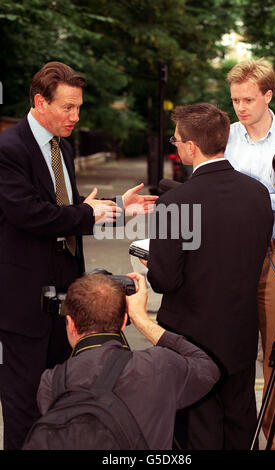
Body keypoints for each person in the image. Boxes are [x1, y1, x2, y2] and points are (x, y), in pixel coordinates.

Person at [0, 61, 157, 450]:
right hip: (23, 303)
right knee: (23, 405)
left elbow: (67, 211)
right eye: (68, 107)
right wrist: (87, 213)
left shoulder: (63, 147)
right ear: (40, 101)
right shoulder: (9, 150)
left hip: (65, 296)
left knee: (61, 400)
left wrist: (117, 206)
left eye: (80, 107)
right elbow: (31, 214)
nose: (76, 116)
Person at [144, 103, 274, 450]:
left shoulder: (174, 202)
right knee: (239, 425)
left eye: (176, 141)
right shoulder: (258, 194)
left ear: (191, 147)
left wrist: (152, 263)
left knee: (195, 434)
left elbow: (165, 280)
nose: (175, 146)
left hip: (191, 340)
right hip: (241, 336)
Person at [36, 271, 221, 450]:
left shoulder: (52, 383)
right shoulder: (158, 366)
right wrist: (143, 320)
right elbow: (208, 369)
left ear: (70, 323)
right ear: (125, 320)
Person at [225, 58, 275, 450]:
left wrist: (258, 200)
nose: (240, 107)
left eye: (248, 99)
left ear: (268, 95)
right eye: (235, 99)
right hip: (231, 256)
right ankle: (237, 440)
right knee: (229, 349)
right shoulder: (226, 137)